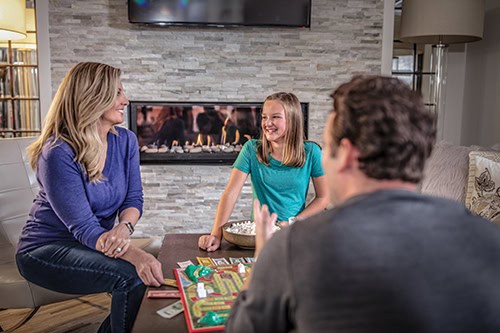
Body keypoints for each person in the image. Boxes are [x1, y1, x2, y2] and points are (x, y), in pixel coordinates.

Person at [226, 75, 500, 332]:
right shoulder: (489, 241)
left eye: (327, 146)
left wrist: (263, 258)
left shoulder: (294, 247)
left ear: (344, 155)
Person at [15, 62, 164, 333]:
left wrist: (123, 228)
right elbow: (83, 228)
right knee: (131, 277)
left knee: (152, 263)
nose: (125, 100)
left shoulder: (126, 140)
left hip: (94, 243)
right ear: (94, 97)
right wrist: (132, 253)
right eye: (117, 93)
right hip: (46, 251)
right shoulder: (58, 152)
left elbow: (134, 198)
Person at [198, 92, 329, 252]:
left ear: (293, 119)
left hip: (295, 233)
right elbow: (230, 193)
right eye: (264, 117)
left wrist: (293, 222)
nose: (268, 123)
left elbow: (323, 197)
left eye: (275, 117)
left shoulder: (312, 152)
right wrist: (216, 234)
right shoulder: (251, 149)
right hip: (257, 236)